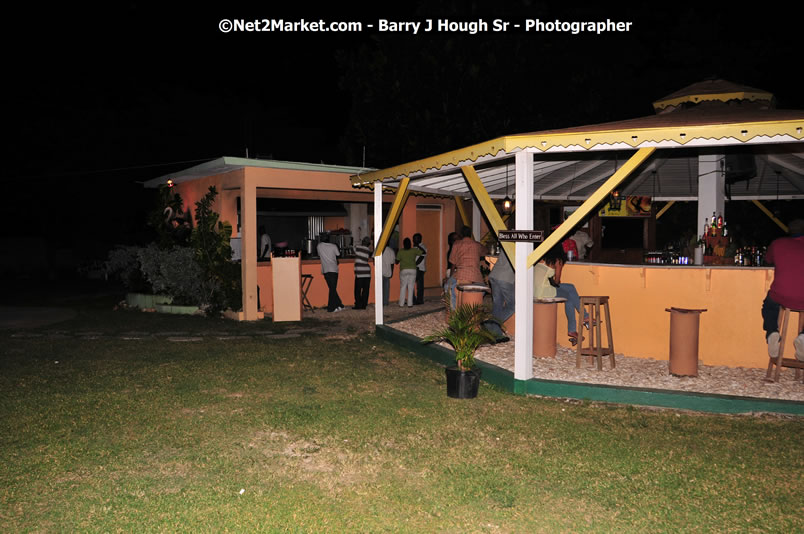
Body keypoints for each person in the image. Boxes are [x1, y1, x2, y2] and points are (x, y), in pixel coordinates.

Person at [762, 219, 804, 361]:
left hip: (780, 295)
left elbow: (768, 260)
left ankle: (772, 332)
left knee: (768, 306)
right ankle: (803, 336)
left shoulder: (777, 244)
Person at [533, 245, 587, 345]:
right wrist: (554, 282)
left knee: (569, 292)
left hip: (533, 290)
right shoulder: (558, 261)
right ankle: (583, 316)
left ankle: (575, 327)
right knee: (570, 291)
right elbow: (557, 281)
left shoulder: (540, 258)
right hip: (544, 291)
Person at [448, 226, 487, 309]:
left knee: (449, 288)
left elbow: (453, 262)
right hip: (475, 275)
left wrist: (450, 276)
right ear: (470, 234)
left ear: (461, 235)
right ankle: (473, 308)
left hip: (460, 274)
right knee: (482, 291)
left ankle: (454, 311)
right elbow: (486, 252)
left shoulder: (457, 244)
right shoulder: (477, 245)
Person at [485, 249, 513, 342]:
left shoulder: (508, 243)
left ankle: (496, 334)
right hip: (505, 277)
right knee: (513, 305)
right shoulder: (523, 245)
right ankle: (491, 323)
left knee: (497, 304)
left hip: (494, 275)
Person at [316, 234, 344, 313]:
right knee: (332, 289)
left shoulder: (319, 246)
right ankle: (331, 308)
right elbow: (338, 255)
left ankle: (339, 305)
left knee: (332, 289)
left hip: (325, 270)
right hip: (334, 270)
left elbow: (319, 255)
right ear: (329, 239)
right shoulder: (333, 246)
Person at [396, 237, 420, 308]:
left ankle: (401, 304)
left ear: (403, 244)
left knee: (403, 286)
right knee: (411, 287)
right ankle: (410, 304)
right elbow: (423, 253)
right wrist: (418, 245)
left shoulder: (401, 251)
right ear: (410, 244)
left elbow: (396, 262)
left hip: (403, 270)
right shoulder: (414, 250)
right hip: (413, 269)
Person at [353, 236, 372, 309]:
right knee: (365, 290)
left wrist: (358, 242)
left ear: (363, 242)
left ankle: (358, 305)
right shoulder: (368, 250)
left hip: (360, 273)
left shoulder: (358, 248)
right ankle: (364, 305)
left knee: (357, 290)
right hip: (367, 272)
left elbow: (353, 247)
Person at [413, 233, 427, 304]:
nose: (415, 240)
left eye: (417, 238)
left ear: (420, 239)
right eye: (414, 238)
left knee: (419, 285)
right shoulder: (414, 247)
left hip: (420, 268)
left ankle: (418, 300)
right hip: (414, 268)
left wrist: (415, 265)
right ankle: (416, 300)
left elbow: (422, 256)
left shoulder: (422, 246)